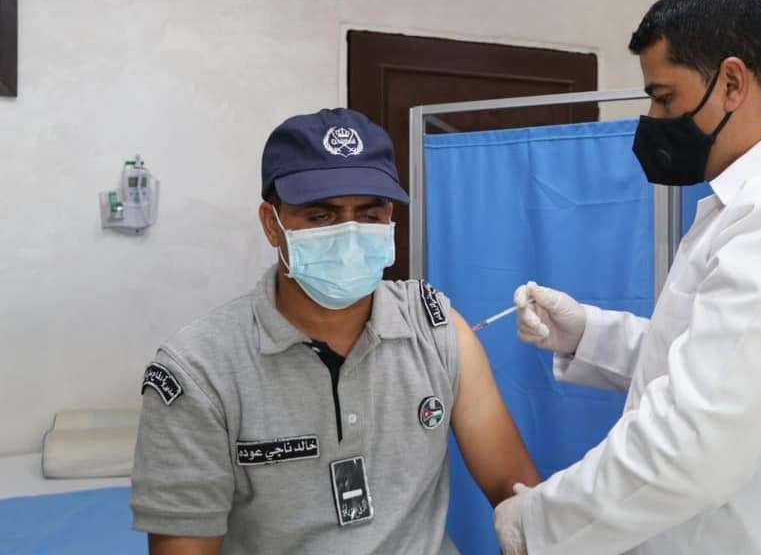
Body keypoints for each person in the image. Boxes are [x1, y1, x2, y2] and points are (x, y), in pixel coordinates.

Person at [493, 0, 761, 555]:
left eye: (665, 97)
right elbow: (718, 363)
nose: (654, 117)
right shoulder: (759, 204)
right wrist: (589, 334)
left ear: (732, 83)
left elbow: (696, 437)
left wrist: (539, 523)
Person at [130, 108, 539, 555]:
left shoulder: (435, 329)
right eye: (321, 216)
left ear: (389, 217)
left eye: (368, 214)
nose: (349, 235)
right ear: (272, 224)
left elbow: (517, 492)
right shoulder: (200, 371)